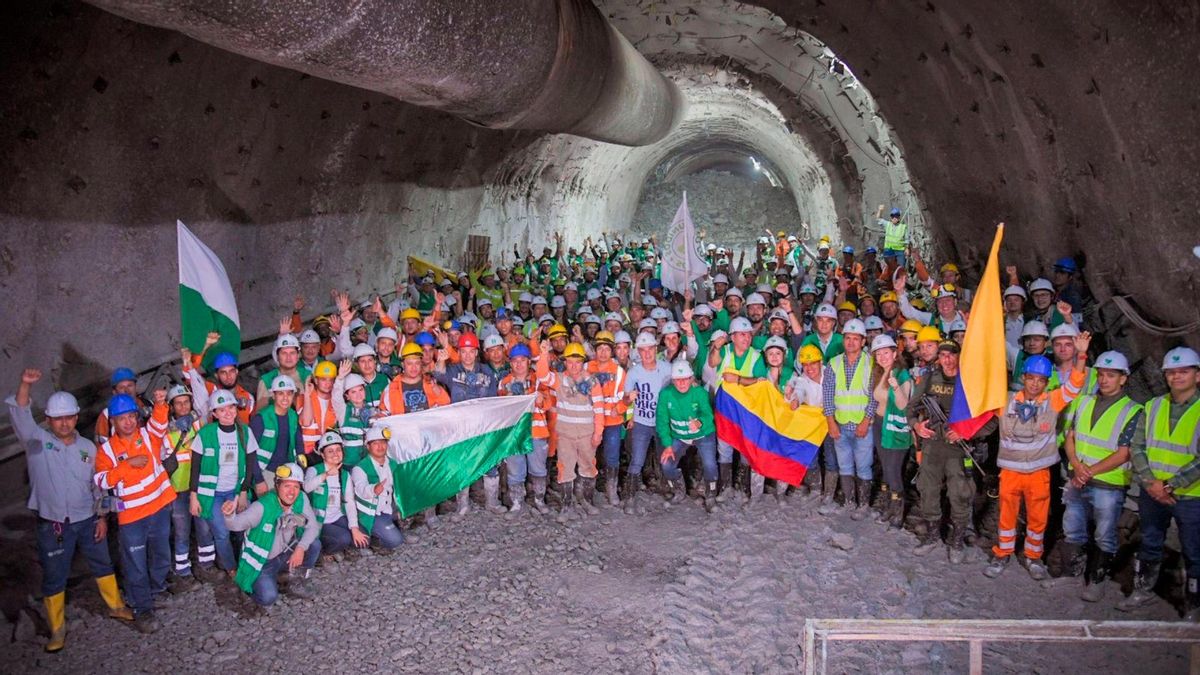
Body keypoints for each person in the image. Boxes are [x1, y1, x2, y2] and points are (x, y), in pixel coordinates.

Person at [9, 369, 133, 652]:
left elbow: (97, 485)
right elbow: (21, 413)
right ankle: (57, 630)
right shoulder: (36, 442)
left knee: (102, 563)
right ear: (48, 419)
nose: (64, 423)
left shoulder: (88, 448)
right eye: (58, 418)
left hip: (87, 519)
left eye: (68, 417)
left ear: (76, 418)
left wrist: (102, 517)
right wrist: (25, 384)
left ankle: (116, 606)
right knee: (54, 575)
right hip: (53, 523)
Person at [983, 331, 1091, 580]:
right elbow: (982, 390)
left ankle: (1033, 557)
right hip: (1010, 471)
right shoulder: (1005, 400)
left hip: (1038, 473)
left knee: (1038, 517)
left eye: (1040, 380)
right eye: (1030, 378)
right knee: (1007, 515)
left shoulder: (1052, 401)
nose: (1034, 384)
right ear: (1023, 377)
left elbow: (1075, 385)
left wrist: (1081, 355)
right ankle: (1002, 553)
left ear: (1046, 382)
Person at [1119, 347, 1200, 617]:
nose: (1177, 377)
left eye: (1183, 372)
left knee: (1194, 550)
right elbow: (1137, 446)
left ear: (1197, 375)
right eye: (1171, 372)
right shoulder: (1153, 406)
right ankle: (1142, 590)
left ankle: (1194, 604)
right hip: (1152, 491)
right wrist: (1151, 482)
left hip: (1190, 495)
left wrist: (1170, 485)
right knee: (1150, 542)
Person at [1061, 350, 1142, 602]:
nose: (1104, 380)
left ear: (1123, 378)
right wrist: (1076, 465)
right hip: (1078, 477)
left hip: (1108, 483)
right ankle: (1072, 575)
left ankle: (1097, 581)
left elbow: (1124, 453)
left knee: (1104, 534)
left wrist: (1087, 472)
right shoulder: (1083, 401)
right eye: (1101, 374)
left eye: (1111, 375)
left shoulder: (1133, 410)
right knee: (1073, 528)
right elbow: (1070, 437)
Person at [93, 389, 174, 633]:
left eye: (131, 416)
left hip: (159, 507)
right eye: (122, 418)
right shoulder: (107, 451)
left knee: (161, 554)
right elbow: (101, 480)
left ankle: (156, 589)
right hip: (132, 517)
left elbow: (160, 424)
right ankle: (142, 608)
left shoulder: (147, 436)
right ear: (113, 422)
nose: (128, 422)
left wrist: (160, 403)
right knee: (135, 564)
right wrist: (126, 466)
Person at [908, 340, 993, 563]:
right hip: (933, 445)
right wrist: (917, 426)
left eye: (952, 354)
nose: (947, 359)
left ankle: (957, 540)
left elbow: (991, 419)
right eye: (943, 355)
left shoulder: (971, 382)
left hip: (959, 450)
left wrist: (967, 432)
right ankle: (932, 536)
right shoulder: (929, 379)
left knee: (960, 494)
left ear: (959, 356)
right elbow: (911, 409)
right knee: (928, 490)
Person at [223, 462, 319, 608]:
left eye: (296, 486)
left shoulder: (301, 498)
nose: (292, 492)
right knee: (268, 598)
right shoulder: (262, 507)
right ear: (277, 486)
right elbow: (235, 525)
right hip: (263, 562)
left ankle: (293, 578)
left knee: (314, 544)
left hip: (285, 552)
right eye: (287, 486)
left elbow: (313, 527)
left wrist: (301, 548)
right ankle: (251, 588)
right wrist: (229, 515)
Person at [189, 390, 260, 578]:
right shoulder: (205, 434)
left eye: (231, 407)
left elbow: (250, 466)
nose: (228, 413)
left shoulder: (245, 432)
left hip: (235, 491)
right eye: (221, 410)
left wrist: (242, 493)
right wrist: (194, 497)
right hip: (211, 494)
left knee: (243, 529)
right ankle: (231, 568)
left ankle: (247, 563)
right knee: (221, 533)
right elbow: (195, 468)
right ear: (214, 413)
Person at [537, 342, 604, 516]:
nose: (574, 366)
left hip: (586, 435)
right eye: (570, 362)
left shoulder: (592, 381)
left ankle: (587, 501)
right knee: (565, 469)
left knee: (588, 467)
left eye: (577, 362)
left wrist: (598, 433)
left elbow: (599, 409)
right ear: (565, 362)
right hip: (565, 435)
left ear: (583, 362)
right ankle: (567, 505)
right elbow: (542, 376)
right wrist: (543, 354)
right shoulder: (559, 379)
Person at [707, 317, 768, 501]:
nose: (746, 338)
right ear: (732, 337)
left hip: (746, 412)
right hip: (725, 411)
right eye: (742, 335)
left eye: (748, 334)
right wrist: (715, 347)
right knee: (724, 449)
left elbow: (761, 383)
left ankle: (742, 487)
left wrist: (738, 380)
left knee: (745, 448)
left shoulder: (756, 356)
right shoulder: (725, 351)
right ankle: (725, 488)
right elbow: (712, 363)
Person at [822, 319, 876, 517]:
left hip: (863, 426)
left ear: (863, 341)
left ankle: (863, 505)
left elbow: (874, 396)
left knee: (863, 466)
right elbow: (827, 394)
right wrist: (831, 422)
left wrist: (865, 421)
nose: (851, 342)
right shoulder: (834, 363)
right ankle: (849, 501)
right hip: (840, 424)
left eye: (856, 338)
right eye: (848, 338)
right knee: (844, 465)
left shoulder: (871, 363)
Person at [656, 360, 719, 511]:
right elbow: (662, 421)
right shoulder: (666, 394)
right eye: (678, 380)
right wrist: (668, 445)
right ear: (673, 380)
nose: (682, 383)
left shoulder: (699, 393)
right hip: (679, 436)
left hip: (703, 434)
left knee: (710, 464)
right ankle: (678, 490)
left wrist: (699, 422)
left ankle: (711, 494)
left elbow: (708, 414)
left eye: (685, 379)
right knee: (666, 464)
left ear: (691, 379)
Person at [623, 333, 674, 504]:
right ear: (638, 352)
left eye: (650, 349)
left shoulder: (667, 368)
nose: (647, 353)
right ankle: (629, 495)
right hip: (641, 422)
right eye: (643, 350)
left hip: (662, 422)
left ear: (656, 349)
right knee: (637, 460)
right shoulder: (633, 372)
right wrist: (628, 400)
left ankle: (667, 486)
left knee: (665, 457)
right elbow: (625, 400)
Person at [499, 343, 548, 513]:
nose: (519, 364)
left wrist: (542, 399)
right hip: (514, 434)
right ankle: (517, 502)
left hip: (537, 431)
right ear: (510, 363)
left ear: (529, 362)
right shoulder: (504, 383)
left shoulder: (539, 380)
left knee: (538, 468)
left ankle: (539, 500)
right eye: (515, 361)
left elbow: (549, 403)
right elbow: (500, 410)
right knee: (515, 470)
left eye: (522, 360)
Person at [871, 335, 913, 528]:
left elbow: (903, 405)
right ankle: (889, 505)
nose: (882, 357)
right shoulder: (880, 373)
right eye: (878, 354)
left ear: (895, 354)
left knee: (893, 469)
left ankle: (898, 510)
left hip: (896, 427)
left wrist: (896, 387)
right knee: (885, 467)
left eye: (886, 353)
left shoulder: (902, 375)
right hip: (880, 424)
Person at [304, 431, 366, 559]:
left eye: (338, 450)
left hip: (337, 516)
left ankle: (342, 546)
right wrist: (326, 475)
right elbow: (307, 487)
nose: (335, 454)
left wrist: (354, 528)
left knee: (362, 534)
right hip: (320, 520)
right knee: (344, 538)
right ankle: (324, 552)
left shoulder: (344, 474)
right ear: (322, 454)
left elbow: (349, 502)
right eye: (330, 451)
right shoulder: (314, 470)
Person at [786, 345, 836, 500]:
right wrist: (795, 399)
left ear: (820, 362)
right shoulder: (802, 380)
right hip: (812, 426)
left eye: (813, 363)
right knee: (810, 457)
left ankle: (829, 494)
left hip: (831, 422)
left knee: (831, 458)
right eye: (805, 365)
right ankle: (815, 489)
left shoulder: (832, 374)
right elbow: (799, 391)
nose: (809, 368)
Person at [350, 426, 405, 551]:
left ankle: (386, 527)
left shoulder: (392, 463)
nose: (380, 447)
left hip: (388, 507)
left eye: (383, 442)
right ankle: (374, 536)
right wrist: (373, 489)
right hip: (372, 512)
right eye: (375, 443)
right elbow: (361, 489)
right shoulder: (360, 468)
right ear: (368, 446)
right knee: (396, 540)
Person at [249, 375, 302, 490]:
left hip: (288, 470)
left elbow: (298, 443)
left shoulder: (293, 415)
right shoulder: (261, 418)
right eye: (280, 394)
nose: (285, 398)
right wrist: (258, 480)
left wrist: (301, 467)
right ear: (273, 395)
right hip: (265, 471)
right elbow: (250, 451)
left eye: (289, 393)